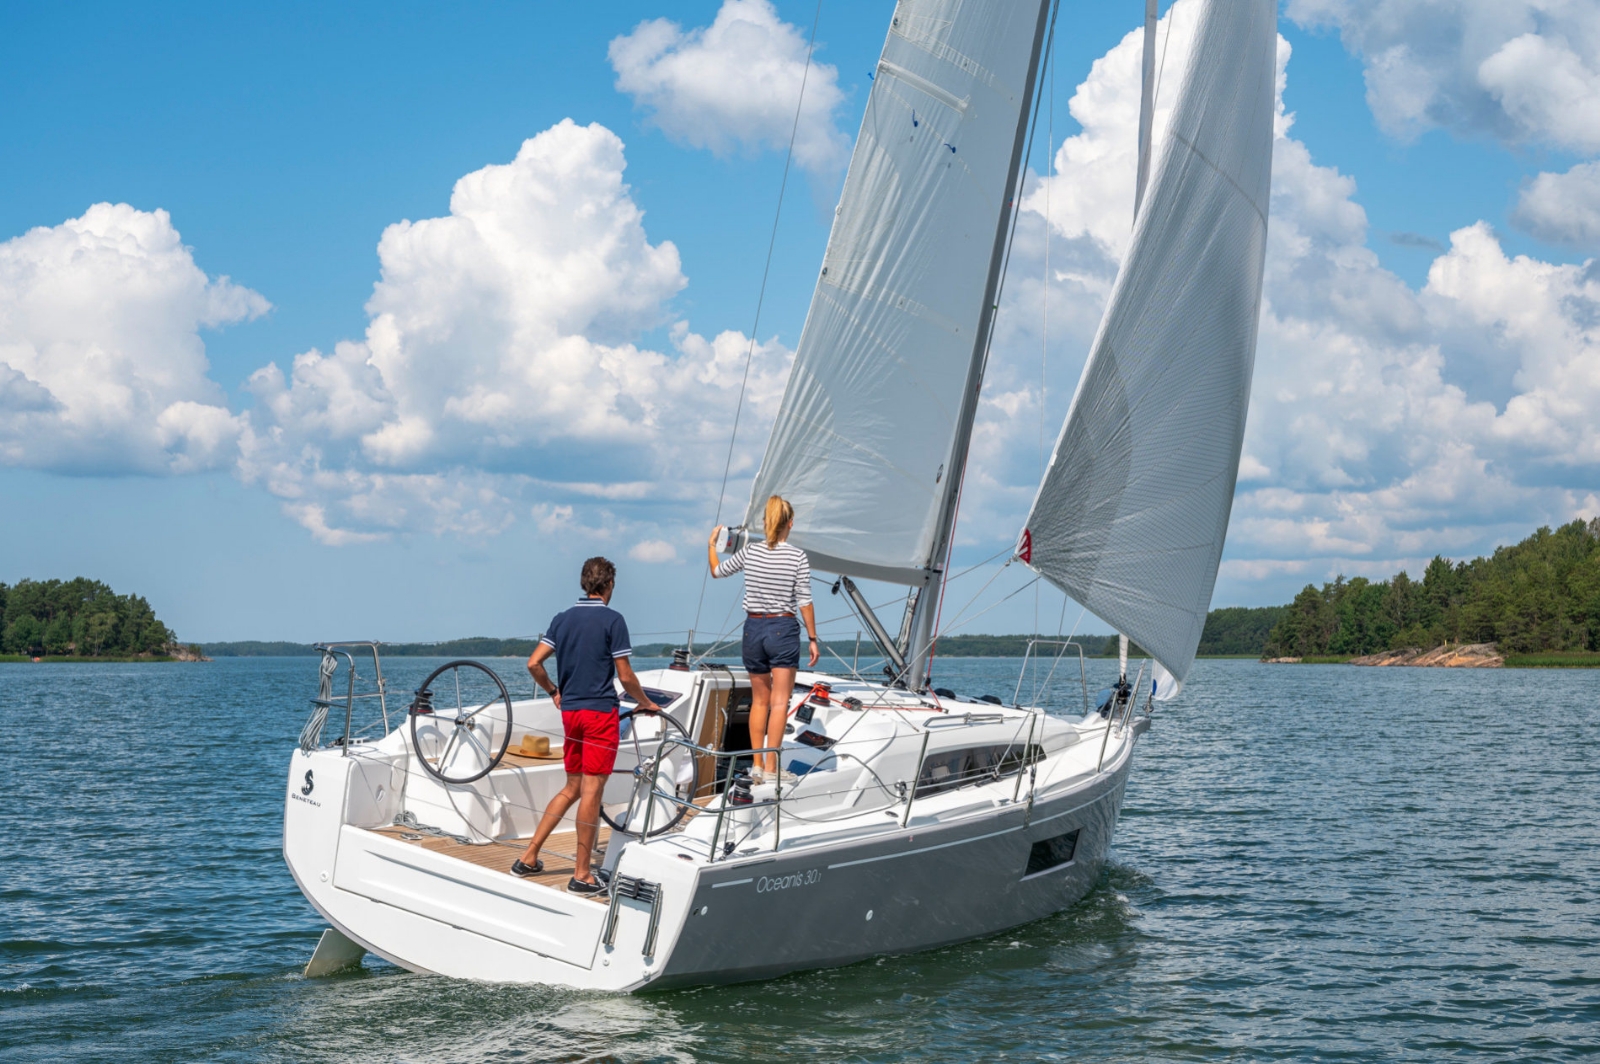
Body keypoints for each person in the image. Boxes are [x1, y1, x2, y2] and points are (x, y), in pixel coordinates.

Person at [511, 556, 657, 895]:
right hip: (599, 715)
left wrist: (553, 692)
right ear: (609, 585)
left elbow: (534, 663)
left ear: (583, 583)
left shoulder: (562, 620)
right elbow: (625, 675)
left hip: (571, 713)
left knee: (572, 787)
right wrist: (645, 703)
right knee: (592, 792)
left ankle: (529, 857)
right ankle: (582, 876)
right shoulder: (613, 620)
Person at [708, 495, 819, 783]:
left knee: (760, 702)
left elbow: (717, 572)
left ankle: (757, 764)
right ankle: (771, 768)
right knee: (780, 702)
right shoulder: (797, 556)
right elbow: (805, 601)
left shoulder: (751, 553)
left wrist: (711, 546)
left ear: (765, 523)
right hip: (783, 628)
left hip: (753, 629)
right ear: (790, 524)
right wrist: (813, 638)